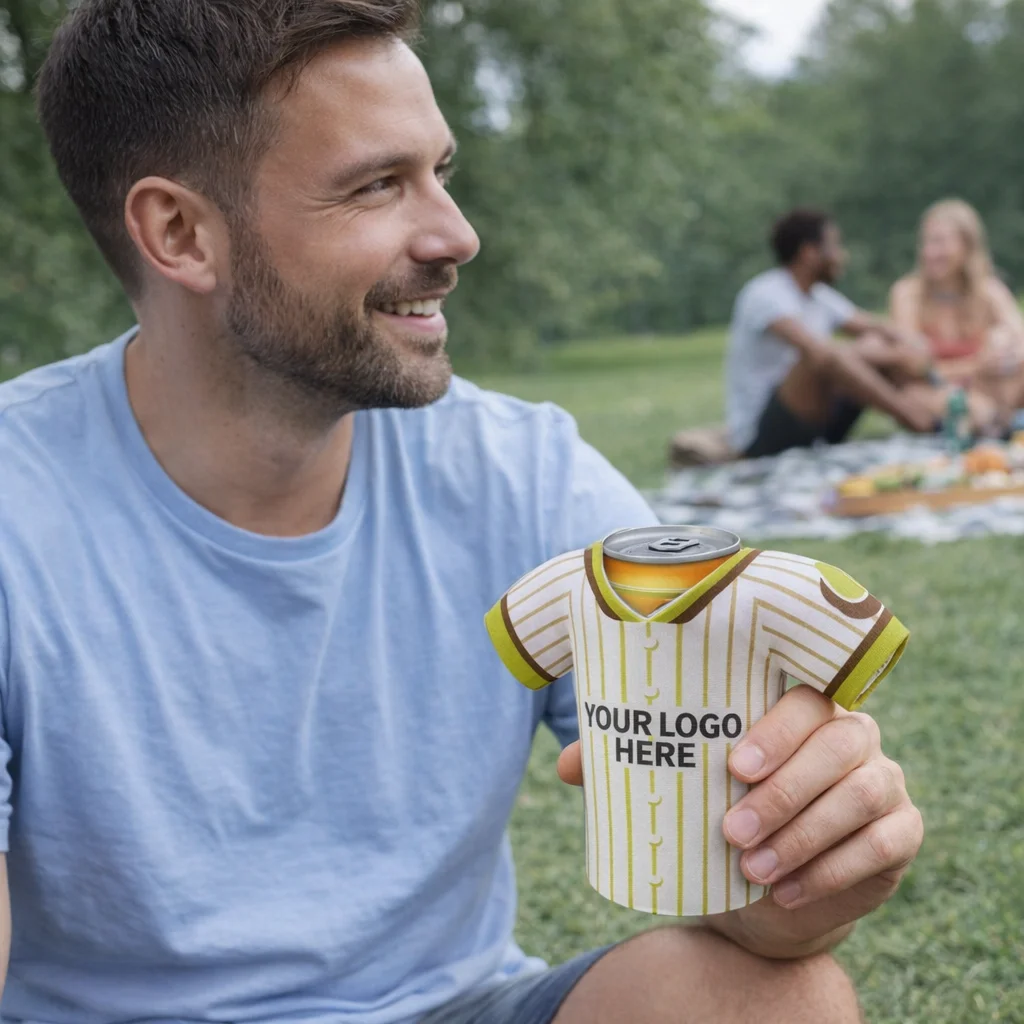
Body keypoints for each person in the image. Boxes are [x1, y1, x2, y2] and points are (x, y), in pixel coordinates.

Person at [0, 2, 924, 1021]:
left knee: (774, 999)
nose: (456, 233)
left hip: (449, 1006)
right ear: (180, 232)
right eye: (377, 185)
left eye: (442, 172)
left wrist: (808, 856)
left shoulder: (525, 475)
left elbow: (756, 904)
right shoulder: (19, 508)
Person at [726, 208, 939, 459]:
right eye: (835, 247)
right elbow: (819, 354)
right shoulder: (765, 294)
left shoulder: (818, 296)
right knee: (826, 357)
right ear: (809, 253)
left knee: (875, 342)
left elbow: (877, 328)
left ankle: (941, 410)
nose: (842, 256)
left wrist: (912, 346)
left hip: (815, 421)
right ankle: (920, 421)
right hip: (763, 435)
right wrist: (895, 357)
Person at [890, 198, 1024, 433]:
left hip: (988, 389)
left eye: (940, 242)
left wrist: (1003, 347)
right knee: (916, 394)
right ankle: (989, 421)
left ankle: (992, 420)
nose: (930, 252)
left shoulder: (989, 291)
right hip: (933, 393)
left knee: (1002, 339)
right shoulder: (907, 294)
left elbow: (1020, 341)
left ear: (967, 247)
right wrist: (976, 366)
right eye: (926, 242)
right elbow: (912, 368)